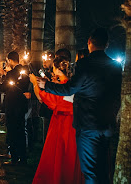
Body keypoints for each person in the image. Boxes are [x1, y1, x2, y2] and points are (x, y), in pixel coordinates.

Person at [37, 28, 122, 184]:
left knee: (90, 171)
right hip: (107, 124)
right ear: (107, 45)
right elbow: (118, 95)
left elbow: (70, 89)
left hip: (87, 124)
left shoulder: (84, 64)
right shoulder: (115, 67)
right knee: (103, 169)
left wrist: (46, 85)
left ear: (89, 43)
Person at [30, 56, 83, 183]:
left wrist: (34, 83)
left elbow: (41, 97)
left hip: (60, 124)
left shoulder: (61, 88)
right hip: (74, 126)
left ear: (57, 70)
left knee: (58, 155)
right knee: (70, 156)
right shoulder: (72, 86)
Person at [0, 51, 30, 165]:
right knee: (21, 131)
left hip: (12, 106)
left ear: (9, 60)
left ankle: (14, 157)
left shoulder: (11, 73)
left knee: (13, 131)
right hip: (22, 105)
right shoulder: (25, 71)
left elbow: (3, 88)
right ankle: (23, 158)